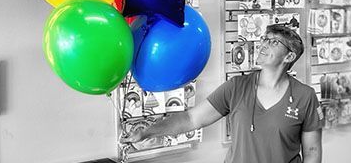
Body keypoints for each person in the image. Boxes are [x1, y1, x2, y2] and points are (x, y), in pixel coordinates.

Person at [121, 24, 323, 163]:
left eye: (274, 42)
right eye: (265, 39)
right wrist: (146, 131)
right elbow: (192, 119)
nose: (263, 44)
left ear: (289, 56)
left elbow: (312, 151)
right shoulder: (236, 87)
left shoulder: (305, 96)